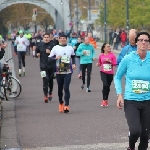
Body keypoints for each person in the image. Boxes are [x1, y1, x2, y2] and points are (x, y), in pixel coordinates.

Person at [114, 31, 150, 150]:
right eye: (141, 40)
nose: (143, 42)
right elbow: (118, 77)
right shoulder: (128, 58)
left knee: (145, 135)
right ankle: (131, 146)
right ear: (137, 42)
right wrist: (119, 94)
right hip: (131, 100)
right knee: (135, 131)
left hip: (148, 101)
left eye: (146, 40)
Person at [48, 34, 76, 113]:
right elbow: (49, 58)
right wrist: (55, 58)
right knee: (60, 89)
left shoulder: (70, 48)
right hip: (59, 71)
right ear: (59, 39)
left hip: (68, 71)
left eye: (64, 38)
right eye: (61, 38)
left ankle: (66, 105)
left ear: (66, 39)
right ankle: (61, 103)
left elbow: (73, 56)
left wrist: (73, 64)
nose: (63, 39)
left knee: (66, 88)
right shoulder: (55, 48)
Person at [35, 33, 55, 103]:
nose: (46, 38)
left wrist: (51, 53)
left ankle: (50, 92)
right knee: (45, 80)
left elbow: (56, 55)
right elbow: (36, 52)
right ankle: (45, 95)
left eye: (47, 37)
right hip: (43, 66)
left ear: (49, 38)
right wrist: (37, 54)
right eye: (45, 37)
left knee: (50, 80)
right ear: (43, 38)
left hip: (51, 66)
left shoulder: (53, 45)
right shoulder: (40, 45)